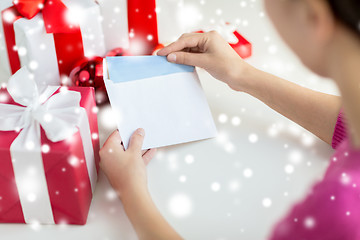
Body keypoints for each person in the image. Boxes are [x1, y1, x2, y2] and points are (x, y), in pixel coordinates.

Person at [99, 0, 360, 239]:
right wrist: (242, 75)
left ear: (313, 16)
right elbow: (348, 123)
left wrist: (129, 190)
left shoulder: (336, 216)